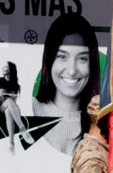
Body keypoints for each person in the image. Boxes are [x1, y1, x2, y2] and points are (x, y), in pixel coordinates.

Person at [34, 13, 101, 155]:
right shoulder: (29, 110)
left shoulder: (101, 120)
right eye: (62, 56)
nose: (71, 71)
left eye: (82, 58)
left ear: (92, 63)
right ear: (49, 59)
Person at [0, 62, 35, 154]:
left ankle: (11, 144)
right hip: (1, 108)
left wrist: (11, 98)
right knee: (9, 103)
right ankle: (22, 128)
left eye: (8, 74)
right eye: (5, 74)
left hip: (9, 109)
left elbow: (14, 104)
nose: (6, 76)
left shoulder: (16, 86)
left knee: (9, 111)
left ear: (13, 73)